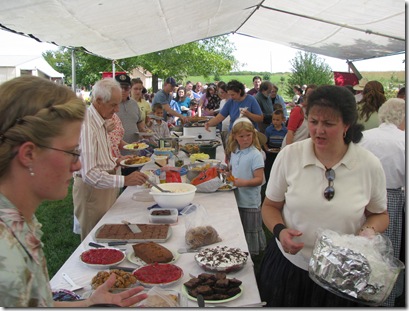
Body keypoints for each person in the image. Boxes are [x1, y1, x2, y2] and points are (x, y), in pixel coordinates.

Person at [0, 76, 147, 307]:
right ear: (29, 154)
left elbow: (36, 304)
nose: (78, 165)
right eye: (72, 151)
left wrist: (85, 303)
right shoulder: (5, 246)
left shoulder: (17, 221)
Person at [257, 85, 389, 307]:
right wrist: (280, 232)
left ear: (346, 125)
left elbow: (380, 214)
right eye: (313, 121)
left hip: (344, 274)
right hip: (291, 267)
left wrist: (369, 230)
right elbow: (270, 206)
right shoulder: (290, 156)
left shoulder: (369, 165)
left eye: (329, 124)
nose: (318, 130)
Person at [73, 78, 148, 240]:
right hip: (93, 190)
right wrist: (125, 180)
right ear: (99, 101)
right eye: (113, 105)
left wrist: (118, 161)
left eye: (118, 104)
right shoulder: (87, 125)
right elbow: (90, 174)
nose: (117, 110)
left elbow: (101, 155)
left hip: (106, 183)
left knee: (108, 233)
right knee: (95, 238)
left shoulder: (100, 120)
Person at [359, 98, 405, 307]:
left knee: (361, 246)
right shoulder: (403, 140)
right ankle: (383, 296)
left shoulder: (364, 137)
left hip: (362, 195)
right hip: (390, 200)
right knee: (386, 250)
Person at [225, 117, 266, 256]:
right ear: (235, 137)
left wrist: (244, 183)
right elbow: (234, 170)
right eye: (241, 136)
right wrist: (228, 174)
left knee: (250, 228)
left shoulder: (256, 155)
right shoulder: (235, 151)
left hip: (250, 201)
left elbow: (259, 179)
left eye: (248, 135)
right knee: (240, 226)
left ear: (253, 135)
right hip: (237, 197)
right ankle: (239, 250)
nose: (245, 139)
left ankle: (253, 254)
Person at [264, 109, 287, 183]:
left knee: (279, 168)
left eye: (277, 120)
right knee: (269, 168)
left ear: (282, 120)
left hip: (280, 151)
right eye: (273, 119)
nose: (275, 122)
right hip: (271, 151)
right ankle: (268, 182)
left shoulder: (285, 130)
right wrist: (266, 148)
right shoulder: (269, 130)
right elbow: (265, 141)